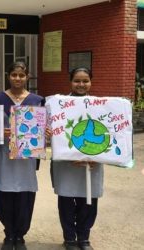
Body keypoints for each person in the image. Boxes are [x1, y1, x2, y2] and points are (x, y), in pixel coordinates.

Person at [0, 61, 45, 250]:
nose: (17, 78)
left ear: (27, 76)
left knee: (24, 197)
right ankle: (8, 233)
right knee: (5, 196)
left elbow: (44, 128)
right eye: (14, 75)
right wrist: (0, 132)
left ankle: (20, 235)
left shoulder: (37, 101)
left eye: (21, 75)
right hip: (4, 156)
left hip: (27, 160)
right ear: (8, 76)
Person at [50, 67, 102, 250]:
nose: (81, 84)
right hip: (66, 164)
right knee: (66, 202)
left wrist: (96, 156)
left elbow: (108, 132)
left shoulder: (101, 105)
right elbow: (52, 132)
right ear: (70, 82)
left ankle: (84, 237)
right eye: (77, 81)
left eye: (85, 80)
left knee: (88, 201)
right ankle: (70, 238)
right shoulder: (58, 105)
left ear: (91, 82)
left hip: (91, 163)